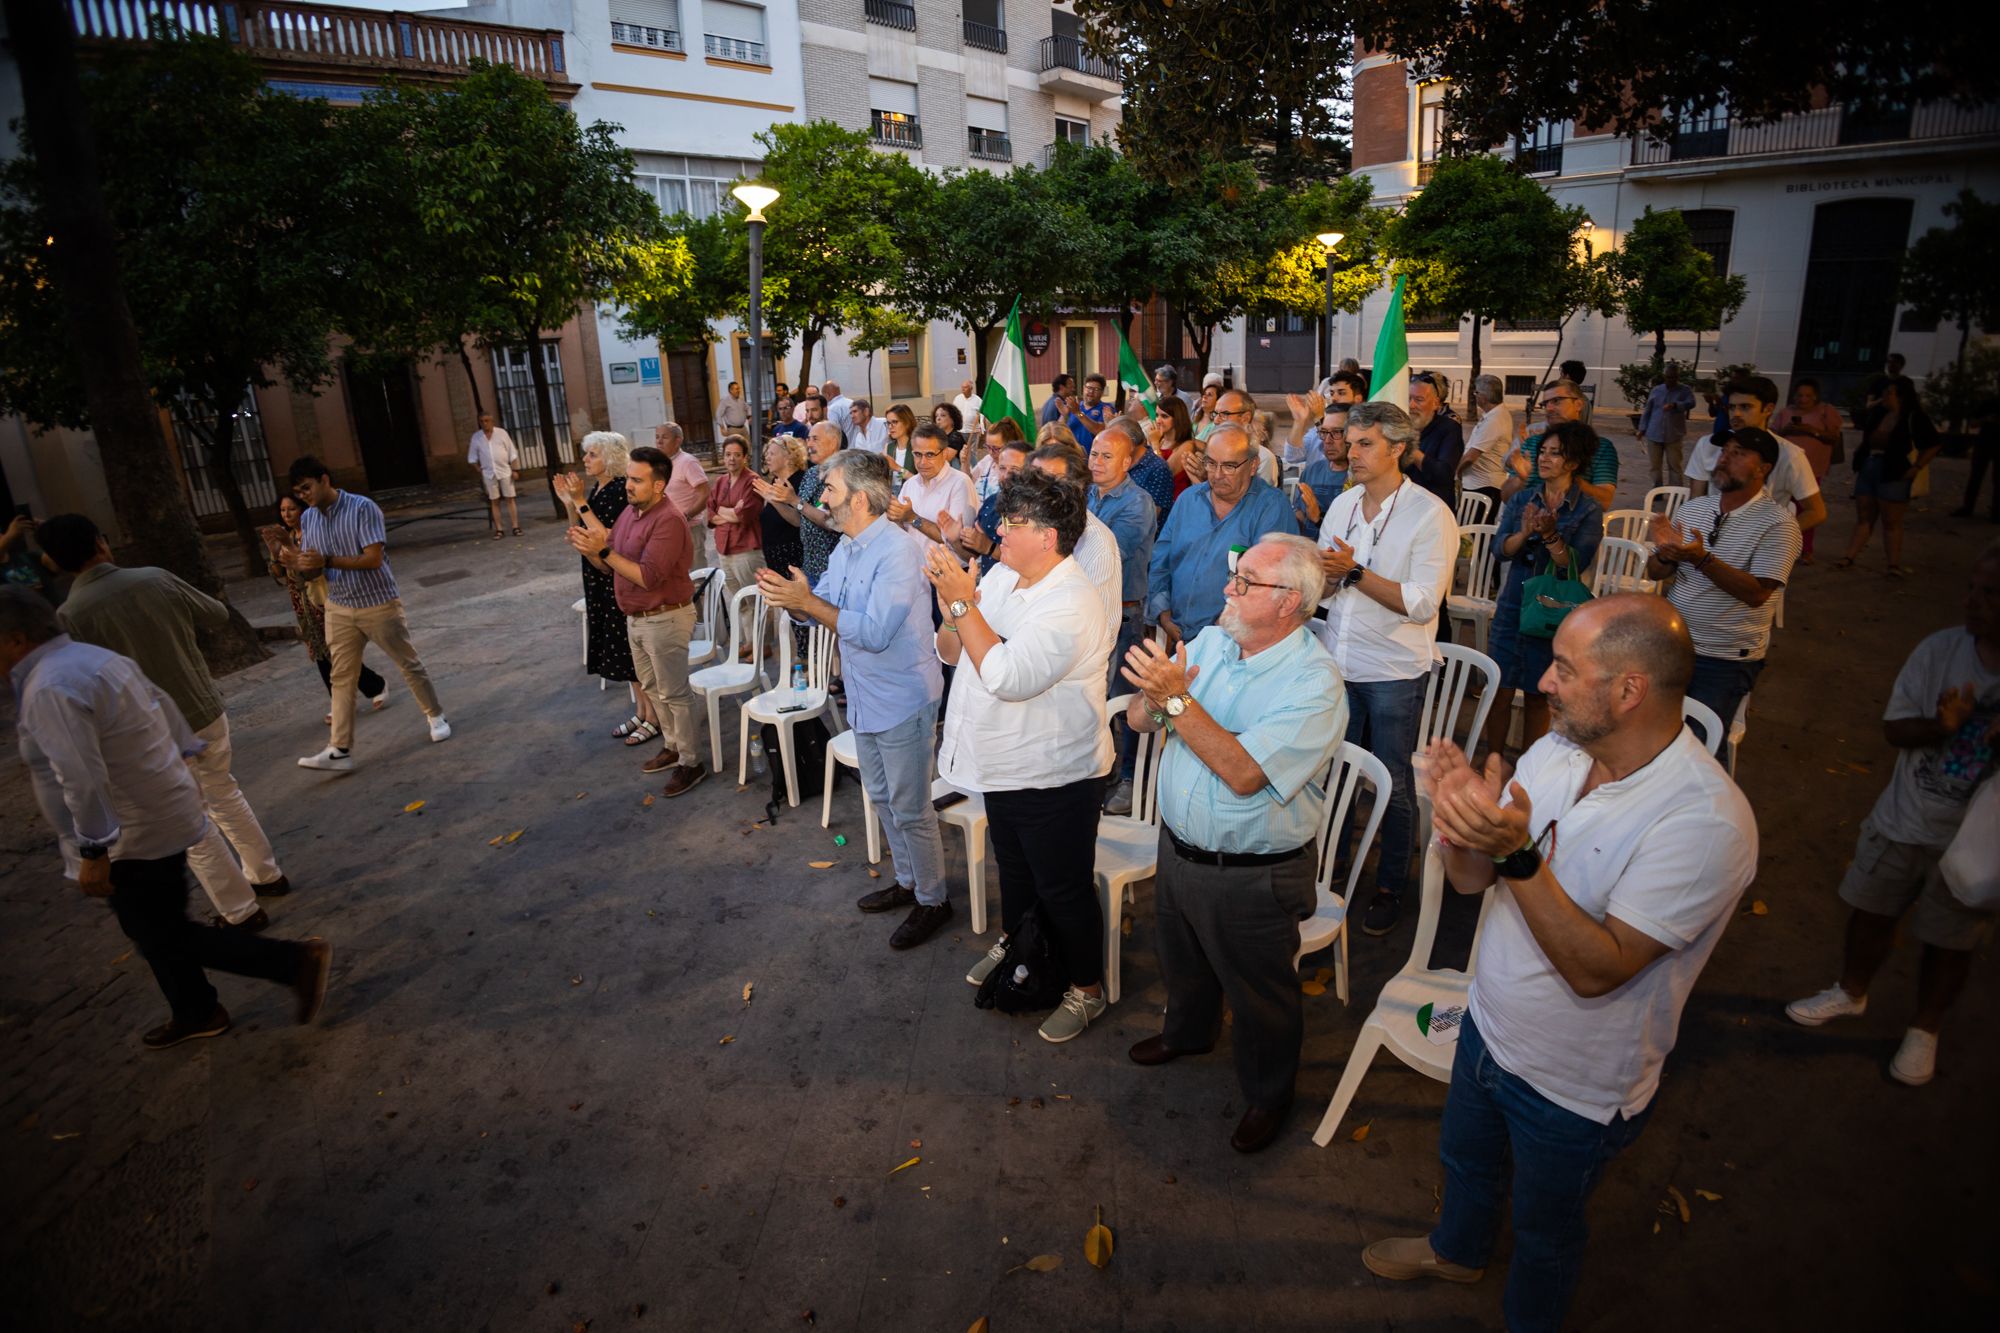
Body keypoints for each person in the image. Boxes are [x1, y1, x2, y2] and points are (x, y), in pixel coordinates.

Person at [1364, 596, 1756, 1333]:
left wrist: (1515, 850)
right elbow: (1476, 884)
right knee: (1466, 1166)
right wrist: (1466, 823)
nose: (1543, 682)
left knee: (1545, 1235)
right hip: (1486, 1025)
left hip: (1575, 1086)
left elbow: (1597, 968)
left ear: (1628, 690)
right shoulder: (1557, 751)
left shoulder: (1704, 821)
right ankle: (1457, 1250)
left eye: (1566, 671)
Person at [6, 586, 333, 1050]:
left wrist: (94, 848)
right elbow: (160, 700)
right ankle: (197, 1009)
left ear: (16, 639)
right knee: (155, 928)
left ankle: (290, 963)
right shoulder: (92, 659)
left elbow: (80, 777)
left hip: (131, 831)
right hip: (160, 807)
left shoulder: (50, 687)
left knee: (160, 933)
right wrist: (182, 754)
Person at [1121, 534, 1346, 1153]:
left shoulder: (1315, 683)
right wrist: (1154, 696)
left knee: (1260, 996)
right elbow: (1143, 724)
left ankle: (1269, 1093)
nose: (1227, 589)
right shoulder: (1217, 642)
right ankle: (1189, 1032)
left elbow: (1245, 773)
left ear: (1288, 602)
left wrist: (1176, 700)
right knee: (1183, 959)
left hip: (1254, 872)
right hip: (1181, 846)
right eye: (1233, 575)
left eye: (1245, 582)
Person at [1784, 544, 1999, 1085]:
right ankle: (1851, 991)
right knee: (1871, 912)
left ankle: (1924, 1030)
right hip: (1905, 819)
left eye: (1990, 593)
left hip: (1975, 841)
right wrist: (1944, 726)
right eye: (1972, 588)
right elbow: (1894, 730)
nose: (1973, 602)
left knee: (1950, 940)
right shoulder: (1939, 652)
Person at [929, 469, 1115, 1044]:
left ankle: (1088, 989)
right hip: (1004, 764)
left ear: (1049, 537)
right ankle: (1020, 946)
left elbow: (1008, 676)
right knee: (1014, 870)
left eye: (1013, 524)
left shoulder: (1072, 601)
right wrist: (953, 606)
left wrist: (965, 610)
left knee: (1064, 887)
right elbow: (952, 653)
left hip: (1054, 774)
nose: (999, 532)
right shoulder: (1008, 577)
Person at [39, 513, 291, 927]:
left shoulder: (70, 616)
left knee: (193, 821)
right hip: (203, 706)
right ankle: (268, 875)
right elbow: (217, 615)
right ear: (102, 543)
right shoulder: (155, 579)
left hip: (150, 733)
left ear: (55, 561)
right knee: (224, 793)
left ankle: (240, 911)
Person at [759, 451, 953, 950]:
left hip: (903, 698)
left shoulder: (897, 552)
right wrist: (797, 600)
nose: (820, 497)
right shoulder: (847, 547)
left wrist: (810, 605)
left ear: (861, 499)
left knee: (911, 808)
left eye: (829, 489)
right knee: (883, 797)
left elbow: (873, 631)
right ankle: (908, 882)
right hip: (866, 698)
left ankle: (934, 899)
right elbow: (822, 601)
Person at [1313, 401, 1458, 936]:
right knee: (1337, 769)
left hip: (1394, 668)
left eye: (1364, 444)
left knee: (1392, 781)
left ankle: (1391, 884)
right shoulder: (1345, 504)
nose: (1350, 453)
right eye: (1349, 443)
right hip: (1340, 659)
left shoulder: (1429, 513)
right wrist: (1325, 578)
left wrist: (1352, 572)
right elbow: (1329, 587)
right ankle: (1334, 868)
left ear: (1397, 448)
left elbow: (1423, 604)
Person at [283, 457, 450, 773]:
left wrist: (327, 561)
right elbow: (315, 567)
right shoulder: (308, 521)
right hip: (339, 606)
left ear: (324, 479)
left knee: (407, 663)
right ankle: (340, 749)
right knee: (342, 676)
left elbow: (373, 559)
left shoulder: (363, 508)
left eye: (307, 488)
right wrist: (297, 561)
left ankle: (435, 714)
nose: (303, 495)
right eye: (298, 491)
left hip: (378, 602)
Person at [1646, 427, 1801, 765]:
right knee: (1653, 739)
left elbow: (1758, 593)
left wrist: (1701, 559)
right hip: (1673, 645)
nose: (1724, 459)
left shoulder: (1779, 525)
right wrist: (1666, 553)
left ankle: (1704, 813)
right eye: (1724, 451)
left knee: (1699, 751)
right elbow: (1655, 573)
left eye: (1739, 453)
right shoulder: (1694, 509)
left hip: (1724, 659)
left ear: (1764, 469)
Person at [565, 445, 705, 797]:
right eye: (628, 477)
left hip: (665, 617)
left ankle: (691, 761)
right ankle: (673, 746)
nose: (628, 485)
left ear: (658, 486)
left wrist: (603, 552)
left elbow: (647, 576)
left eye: (636, 480)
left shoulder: (669, 520)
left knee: (674, 693)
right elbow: (609, 550)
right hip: (637, 618)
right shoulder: (632, 511)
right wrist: (589, 540)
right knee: (655, 689)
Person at [1480, 422, 1607, 756]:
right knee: (1500, 689)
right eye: (1543, 452)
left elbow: (1574, 564)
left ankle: (1527, 770)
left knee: (1539, 693)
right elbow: (1498, 550)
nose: (1545, 459)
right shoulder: (1523, 498)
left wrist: (1551, 535)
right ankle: (1494, 760)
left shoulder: (1588, 510)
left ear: (1574, 463)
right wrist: (1523, 534)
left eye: (1555, 453)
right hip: (1513, 602)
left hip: (1552, 609)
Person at [1147, 424, 1295, 648]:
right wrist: (1164, 613)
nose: (1217, 475)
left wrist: (1219, 632)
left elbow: (1269, 584)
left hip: (1236, 643)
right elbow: (1161, 560)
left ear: (1253, 465)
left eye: (1229, 466)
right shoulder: (1188, 500)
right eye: (1211, 463)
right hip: (1178, 635)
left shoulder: (1271, 508)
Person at [555, 433, 655, 744]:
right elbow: (584, 527)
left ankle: (653, 717)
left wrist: (580, 502)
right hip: (598, 575)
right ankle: (641, 711)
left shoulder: (617, 490)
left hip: (616, 575)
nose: (585, 459)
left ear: (610, 457)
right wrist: (571, 504)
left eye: (592, 454)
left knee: (632, 654)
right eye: (586, 454)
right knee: (625, 656)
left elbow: (610, 538)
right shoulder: (598, 488)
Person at [266, 495, 389, 724]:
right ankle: (361, 690)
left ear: (304, 510)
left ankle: (365, 689)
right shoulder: (287, 537)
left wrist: (289, 547)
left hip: (323, 598)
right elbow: (279, 575)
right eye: (283, 511)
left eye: (292, 509)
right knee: (320, 652)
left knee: (336, 651)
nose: (287, 515)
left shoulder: (313, 534)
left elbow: (310, 570)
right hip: (301, 602)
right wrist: (274, 552)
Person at [1687, 380, 1826, 544]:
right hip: (1712, 539)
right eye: (1732, 407)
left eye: (1745, 407)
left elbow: (1816, 511)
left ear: (1768, 409)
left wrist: (1773, 536)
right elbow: (1696, 499)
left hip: (1757, 547)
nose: (1736, 414)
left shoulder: (1790, 455)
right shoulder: (1709, 445)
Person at [1838, 378, 1941, 576]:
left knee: (1891, 520)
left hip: (1894, 470)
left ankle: (1892, 563)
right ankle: (1849, 556)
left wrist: (1917, 466)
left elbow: (1933, 443)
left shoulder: (1913, 417)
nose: (1884, 397)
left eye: (1889, 393)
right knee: (1864, 516)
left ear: (1901, 396)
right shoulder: (1879, 414)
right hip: (1870, 466)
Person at [753, 421, 846, 587]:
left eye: (815, 439)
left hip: (833, 567)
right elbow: (799, 520)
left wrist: (795, 500)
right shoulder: (811, 474)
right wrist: (779, 501)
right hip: (810, 566)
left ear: (833, 442)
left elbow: (831, 523)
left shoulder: (844, 473)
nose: (809, 443)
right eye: (808, 438)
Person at [1503, 381, 1619, 510]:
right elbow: (1507, 499)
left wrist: (1568, 478)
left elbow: (1604, 503)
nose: (1549, 408)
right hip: (1525, 522)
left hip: (1572, 526)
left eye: (1557, 401)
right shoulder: (1532, 443)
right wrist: (1520, 480)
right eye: (1545, 403)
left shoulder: (1600, 447)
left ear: (1578, 404)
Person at [1771, 377, 1846, 562]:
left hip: (1812, 468)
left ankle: (1806, 549)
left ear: (1815, 397)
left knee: (1807, 509)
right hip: (1784, 468)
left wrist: (1810, 430)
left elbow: (1834, 437)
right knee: (1782, 506)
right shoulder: (1785, 412)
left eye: (1808, 396)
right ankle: (1781, 545)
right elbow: (1773, 435)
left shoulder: (1825, 412)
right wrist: (1785, 431)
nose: (1803, 399)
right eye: (1799, 395)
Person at [706, 434, 766, 655]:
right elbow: (710, 512)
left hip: (746, 548)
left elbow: (746, 514)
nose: (731, 459)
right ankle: (750, 642)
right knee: (739, 600)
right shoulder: (721, 481)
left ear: (745, 457)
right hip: (725, 547)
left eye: (737, 455)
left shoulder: (752, 481)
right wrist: (729, 512)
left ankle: (763, 645)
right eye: (728, 454)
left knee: (754, 599)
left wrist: (727, 512)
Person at [939, 435, 1030, 577]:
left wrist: (989, 547)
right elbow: (972, 555)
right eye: (1002, 468)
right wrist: (955, 539)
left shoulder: (1038, 510)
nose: (1006, 476)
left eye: (1015, 470)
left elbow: (1029, 562)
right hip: (990, 591)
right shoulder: (991, 503)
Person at [889, 422, 977, 552]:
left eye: (930, 455)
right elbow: (903, 532)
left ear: (945, 453)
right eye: (918, 454)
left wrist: (913, 518)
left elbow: (959, 542)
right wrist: (895, 517)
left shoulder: (960, 483)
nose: (923, 462)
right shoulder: (910, 484)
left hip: (950, 570)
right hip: (917, 568)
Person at [1406, 371, 1465, 509]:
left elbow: (1443, 475)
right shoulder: (1401, 427)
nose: (1411, 405)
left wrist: (1412, 451)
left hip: (1434, 510)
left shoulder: (1449, 428)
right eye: (1408, 398)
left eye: (1419, 400)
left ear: (1435, 404)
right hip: (1404, 507)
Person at [654, 422, 712, 562]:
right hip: (666, 530)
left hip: (689, 529)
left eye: (664, 437)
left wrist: (686, 517)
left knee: (695, 576)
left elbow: (705, 494)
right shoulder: (659, 463)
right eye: (657, 437)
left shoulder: (688, 462)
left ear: (678, 440)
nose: (659, 442)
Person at [1292, 403, 1350, 536]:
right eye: (1324, 432)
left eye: (1336, 432)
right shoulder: (1311, 471)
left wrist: (1318, 518)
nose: (1327, 440)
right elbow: (1299, 514)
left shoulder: (1361, 479)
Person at [1459, 374, 1513, 515]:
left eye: (1475, 392)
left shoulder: (1494, 420)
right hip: (1480, 484)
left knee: (1473, 532)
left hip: (1483, 487)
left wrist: (1454, 473)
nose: (1474, 396)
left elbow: (1471, 457)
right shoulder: (1494, 414)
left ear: (1483, 397)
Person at [1637, 363, 1696, 489]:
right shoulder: (1657, 390)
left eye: (1674, 377)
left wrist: (1676, 405)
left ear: (1678, 377)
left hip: (1674, 434)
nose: (1671, 380)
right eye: (1668, 377)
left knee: (1675, 465)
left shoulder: (1684, 390)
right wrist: (1642, 428)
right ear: (1664, 377)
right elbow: (1648, 410)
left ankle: (1675, 491)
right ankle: (1657, 489)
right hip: (1654, 432)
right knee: (1655, 466)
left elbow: (1691, 403)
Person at [759, 435, 808, 581]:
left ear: (788, 457)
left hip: (794, 560)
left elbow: (799, 520)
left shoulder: (802, 481)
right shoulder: (775, 481)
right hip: (774, 559)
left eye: (772, 453)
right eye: (766, 453)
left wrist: (774, 501)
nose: (767, 457)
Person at [467, 413, 521, 539]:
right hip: (488, 473)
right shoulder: (477, 437)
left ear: (492, 421)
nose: (485, 423)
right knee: (494, 500)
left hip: (504, 470)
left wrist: (515, 470)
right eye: (482, 421)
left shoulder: (502, 433)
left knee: (510, 498)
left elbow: (512, 452)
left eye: (487, 421)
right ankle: (499, 529)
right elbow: (472, 457)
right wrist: (479, 470)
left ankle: (515, 526)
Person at [1066, 373, 1112, 445]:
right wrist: (1064, 415)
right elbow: (1061, 431)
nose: (1091, 391)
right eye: (1089, 388)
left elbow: (1099, 430)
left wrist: (1078, 413)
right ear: (1084, 388)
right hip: (1073, 454)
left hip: (1092, 455)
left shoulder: (1106, 408)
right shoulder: (1075, 406)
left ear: (1102, 392)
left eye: (1096, 389)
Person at [880, 403, 920, 479]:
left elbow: (922, 483)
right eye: (888, 423)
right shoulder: (888, 447)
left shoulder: (918, 447)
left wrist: (897, 468)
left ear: (907, 423)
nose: (890, 426)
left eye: (894, 422)